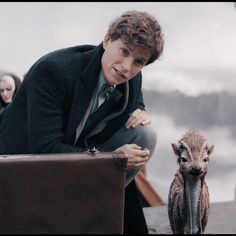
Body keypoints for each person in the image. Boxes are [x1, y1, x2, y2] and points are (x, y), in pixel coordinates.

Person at [0, 10, 164, 233]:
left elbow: (136, 99)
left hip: (73, 161)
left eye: (138, 61)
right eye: (124, 51)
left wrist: (140, 110)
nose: (127, 67)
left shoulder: (132, 78)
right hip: (18, 167)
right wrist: (113, 159)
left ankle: (88, 204)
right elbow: (44, 150)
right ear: (107, 40)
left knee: (145, 135)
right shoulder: (54, 71)